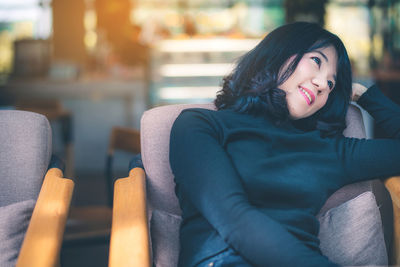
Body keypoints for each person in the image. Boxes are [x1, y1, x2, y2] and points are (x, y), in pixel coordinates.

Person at [169, 22, 400, 267]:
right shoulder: (199, 124)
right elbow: (234, 219)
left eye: (331, 84)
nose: (322, 84)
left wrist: (366, 96)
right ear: (278, 53)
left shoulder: (330, 150)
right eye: (316, 61)